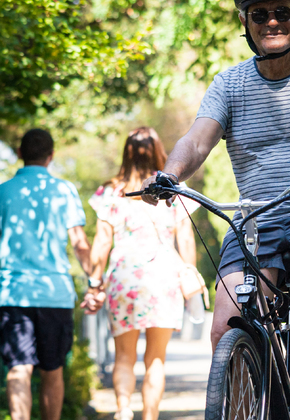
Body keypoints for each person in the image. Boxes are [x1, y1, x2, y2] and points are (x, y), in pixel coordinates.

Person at [139, 1, 290, 418]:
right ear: (244, 22)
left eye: (282, 12)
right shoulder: (229, 84)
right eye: (259, 13)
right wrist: (170, 175)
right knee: (223, 327)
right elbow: (196, 142)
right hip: (256, 218)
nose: (272, 22)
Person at [88, 127, 200, 420]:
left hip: (123, 277)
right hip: (164, 277)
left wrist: (95, 282)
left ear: (126, 153)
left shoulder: (110, 191)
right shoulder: (173, 191)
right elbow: (185, 239)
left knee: (123, 356)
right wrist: (189, 272)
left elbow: (102, 242)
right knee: (156, 359)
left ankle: (124, 411)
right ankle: (150, 417)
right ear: (159, 152)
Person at [0, 129, 97, 420]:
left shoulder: (3, 191)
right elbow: (80, 244)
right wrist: (93, 282)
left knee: (18, 369)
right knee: (52, 369)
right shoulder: (64, 190)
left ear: (19, 154)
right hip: (54, 294)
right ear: (51, 156)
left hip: (11, 292)